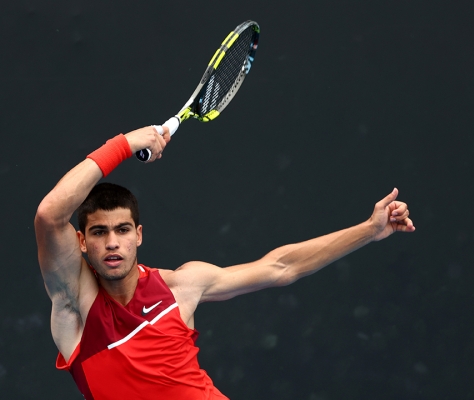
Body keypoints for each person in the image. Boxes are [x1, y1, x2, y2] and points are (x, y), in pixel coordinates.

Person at [34, 125, 415, 400]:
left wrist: (369, 230)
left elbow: (281, 267)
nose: (112, 243)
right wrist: (125, 143)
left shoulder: (180, 287)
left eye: (122, 230)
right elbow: (50, 215)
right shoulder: (75, 305)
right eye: (99, 232)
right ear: (81, 241)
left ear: (139, 235)